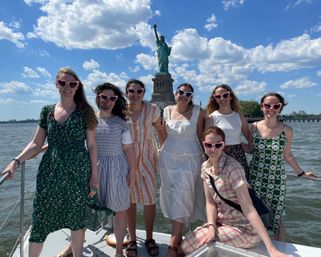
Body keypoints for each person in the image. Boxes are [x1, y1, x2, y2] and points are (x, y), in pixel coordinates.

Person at [1, 67, 99, 257]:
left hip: (79, 172)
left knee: (77, 219)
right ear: (56, 84)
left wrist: (95, 175)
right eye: (63, 83)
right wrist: (15, 161)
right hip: (50, 172)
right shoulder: (47, 111)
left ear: (78, 86)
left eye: (72, 83)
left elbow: (92, 145)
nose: (67, 87)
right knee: (40, 218)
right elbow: (36, 143)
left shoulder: (86, 112)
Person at [56, 83, 136, 257]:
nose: (107, 101)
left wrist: (133, 171)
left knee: (119, 210)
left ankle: (120, 252)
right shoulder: (88, 118)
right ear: (98, 97)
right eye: (104, 97)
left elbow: (129, 149)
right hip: (92, 168)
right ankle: (73, 246)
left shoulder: (123, 122)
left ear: (116, 100)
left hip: (116, 169)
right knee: (82, 208)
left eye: (112, 98)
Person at [190, 126, 293, 257]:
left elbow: (249, 209)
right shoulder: (205, 167)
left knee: (190, 243)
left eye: (218, 145)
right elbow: (210, 203)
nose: (212, 149)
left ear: (224, 145)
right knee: (188, 243)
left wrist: (271, 250)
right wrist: (211, 226)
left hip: (245, 230)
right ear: (203, 145)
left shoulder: (233, 168)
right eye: (208, 145)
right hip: (224, 223)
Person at [247, 92, 318, 241]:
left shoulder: (287, 131)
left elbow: (288, 156)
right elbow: (250, 149)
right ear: (262, 107)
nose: (271, 108)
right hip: (254, 178)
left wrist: (301, 173)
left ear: (280, 108)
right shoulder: (253, 127)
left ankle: (281, 250)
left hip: (276, 180)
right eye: (267, 105)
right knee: (254, 215)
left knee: (277, 218)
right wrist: (227, 146)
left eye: (276, 105)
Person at [158, 83, 206, 257]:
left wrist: (210, 160)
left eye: (188, 93)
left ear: (192, 96)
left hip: (190, 158)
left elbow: (201, 136)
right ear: (175, 93)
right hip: (167, 158)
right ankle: (178, 239)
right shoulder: (166, 111)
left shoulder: (199, 112)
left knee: (182, 194)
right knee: (171, 195)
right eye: (181, 92)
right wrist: (160, 148)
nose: (184, 95)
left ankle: (172, 242)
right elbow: (163, 134)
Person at [125, 79, 165, 257]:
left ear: (143, 92)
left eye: (138, 91)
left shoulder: (153, 110)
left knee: (149, 200)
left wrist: (162, 149)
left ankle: (149, 238)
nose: (135, 94)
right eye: (131, 91)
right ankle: (132, 239)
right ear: (126, 92)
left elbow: (160, 129)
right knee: (130, 200)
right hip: (126, 159)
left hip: (148, 158)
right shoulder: (120, 110)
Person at [205, 84, 251, 179]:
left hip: (238, 156)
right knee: (223, 190)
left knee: (242, 188)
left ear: (230, 96)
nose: (222, 98)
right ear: (215, 99)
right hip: (219, 156)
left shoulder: (239, 116)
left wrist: (244, 146)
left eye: (225, 95)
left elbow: (250, 138)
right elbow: (206, 143)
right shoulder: (211, 118)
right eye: (218, 96)